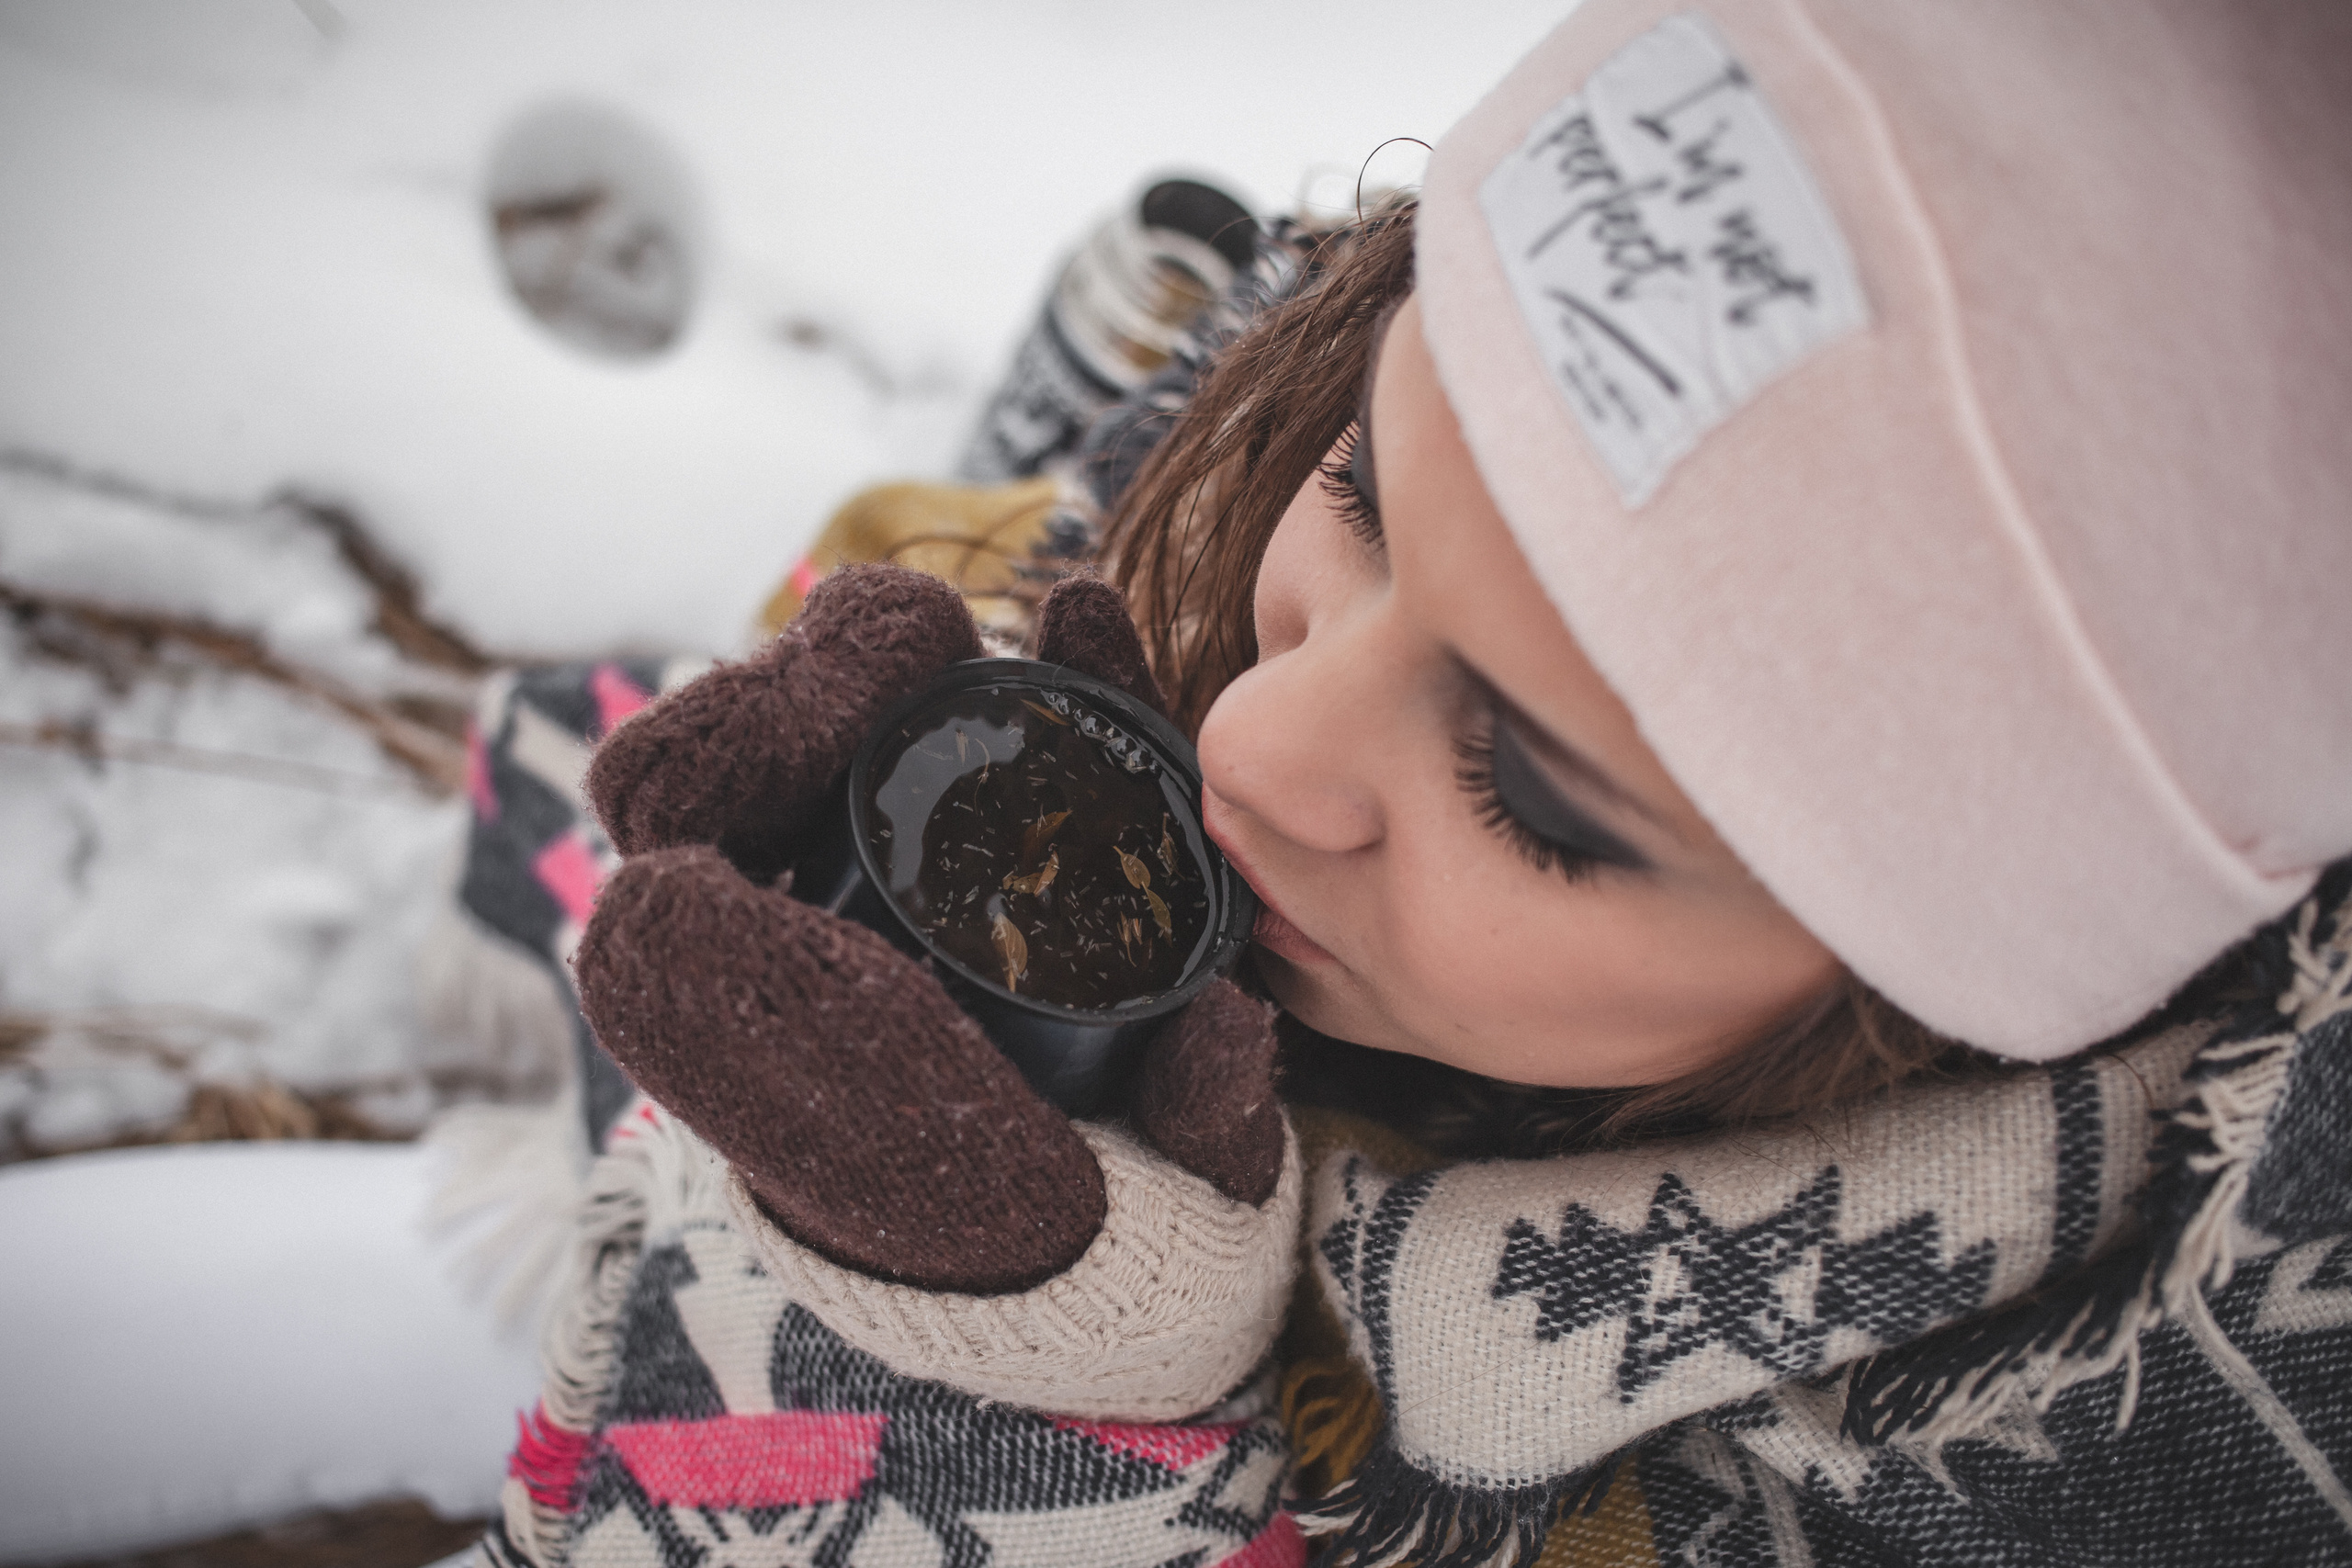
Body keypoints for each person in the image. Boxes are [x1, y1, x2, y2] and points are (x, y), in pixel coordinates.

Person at [481, 2, 2352, 1564]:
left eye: (1534, 799)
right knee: (910, 631)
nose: (1247, 745)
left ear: (1918, 1003)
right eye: (1366, 493)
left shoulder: (1962, 1468)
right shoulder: (1293, 531)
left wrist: (966, 1361)